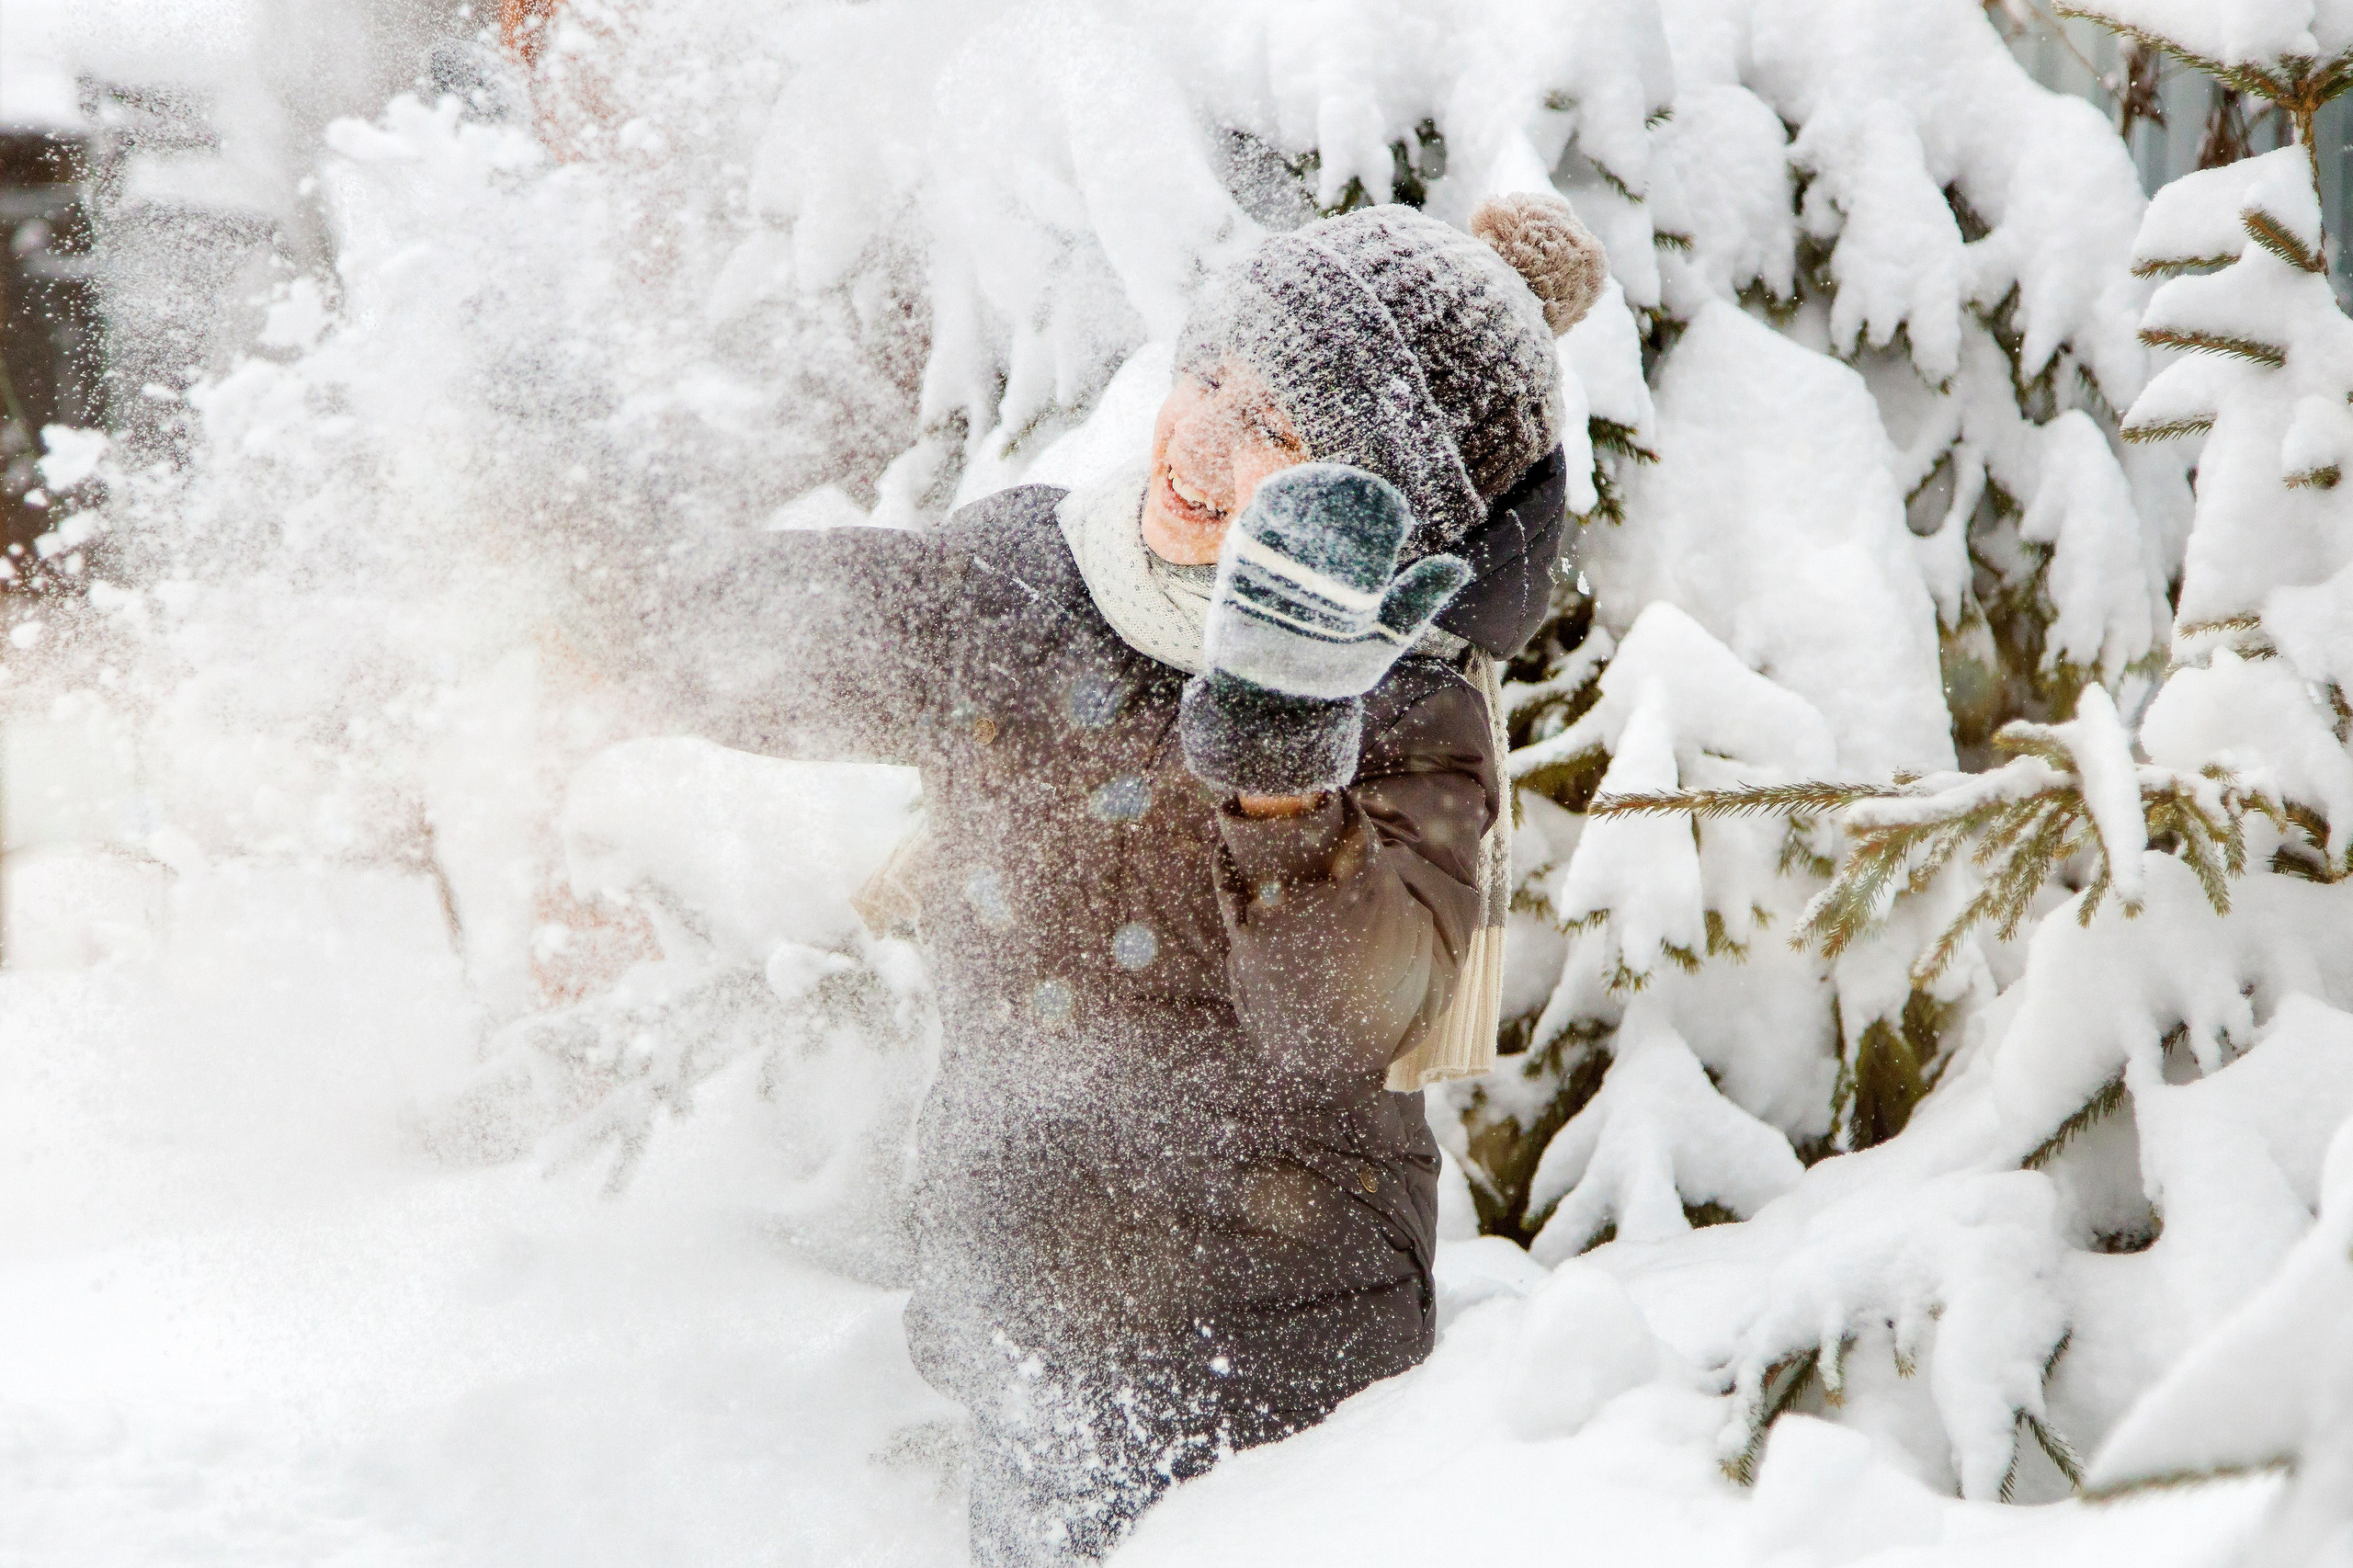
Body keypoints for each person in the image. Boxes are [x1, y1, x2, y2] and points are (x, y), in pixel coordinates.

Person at [668, 192, 1604, 1562]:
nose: (1204, 441)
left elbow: (1358, 1010)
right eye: (1212, 376)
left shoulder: (1409, 719)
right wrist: (599, 586)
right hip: (1013, 1317)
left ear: (1379, 521)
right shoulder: (1028, 581)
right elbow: (781, 638)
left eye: (1278, 429)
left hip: (1285, 1368)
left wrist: (1286, 764)